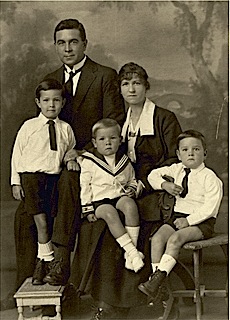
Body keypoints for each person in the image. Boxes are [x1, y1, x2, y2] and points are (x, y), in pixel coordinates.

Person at [10, 17, 125, 297]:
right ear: (55, 47)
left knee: (69, 181)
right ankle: (27, 281)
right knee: (25, 211)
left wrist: (83, 151)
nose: (68, 48)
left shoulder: (104, 76)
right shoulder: (50, 80)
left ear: (84, 44)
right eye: (61, 43)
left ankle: (59, 261)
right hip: (51, 166)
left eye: (73, 42)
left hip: (91, 160)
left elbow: (113, 121)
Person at [71, 62, 182, 319]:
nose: (131, 89)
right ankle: (107, 304)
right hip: (121, 193)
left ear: (146, 86)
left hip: (155, 190)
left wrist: (142, 183)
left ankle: (140, 302)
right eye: (125, 84)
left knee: (130, 220)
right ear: (119, 89)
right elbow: (100, 147)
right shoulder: (119, 121)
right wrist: (76, 152)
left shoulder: (164, 118)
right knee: (96, 226)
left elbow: (175, 161)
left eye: (136, 83)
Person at [138, 130, 223, 300]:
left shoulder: (210, 178)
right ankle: (158, 284)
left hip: (200, 222)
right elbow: (152, 175)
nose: (190, 153)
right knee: (157, 239)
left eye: (196, 149)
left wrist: (189, 221)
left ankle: (155, 283)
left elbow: (210, 208)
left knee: (175, 239)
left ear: (204, 153)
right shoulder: (176, 169)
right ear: (178, 154)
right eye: (185, 150)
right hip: (177, 217)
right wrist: (164, 185)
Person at [11, 79, 77, 285]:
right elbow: (17, 154)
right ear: (38, 103)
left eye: (56, 100)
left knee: (49, 222)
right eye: (46, 100)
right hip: (30, 179)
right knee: (41, 224)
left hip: (54, 180)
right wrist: (16, 182)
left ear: (63, 103)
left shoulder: (66, 128)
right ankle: (44, 260)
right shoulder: (29, 126)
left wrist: (72, 158)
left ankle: (44, 261)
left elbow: (70, 151)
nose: (51, 105)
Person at [80, 118, 144, 272]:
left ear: (120, 140)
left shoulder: (125, 162)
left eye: (112, 138)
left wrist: (132, 189)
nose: (107, 142)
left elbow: (132, 180)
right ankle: (132, 252)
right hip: (99, 202)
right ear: (95, 143)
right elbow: (85, 187)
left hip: (119, 197)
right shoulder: (89, 162)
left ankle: (130, 253)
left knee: (129, 204)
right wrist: (87, 209)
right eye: (102, 139)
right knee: (109, 212)